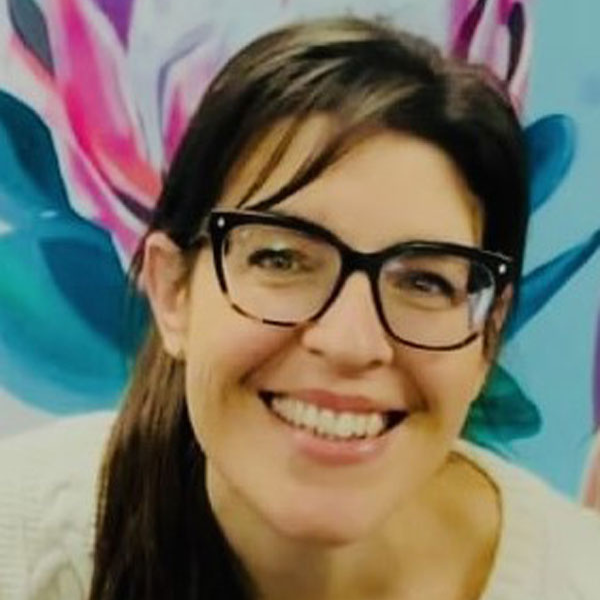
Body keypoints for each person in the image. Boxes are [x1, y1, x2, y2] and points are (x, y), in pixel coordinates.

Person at [1, 16, 600, 600]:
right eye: (282, 259)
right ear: (173, 291)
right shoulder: (22, 541)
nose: (350, 342)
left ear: (487, 336)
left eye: (424, 282)